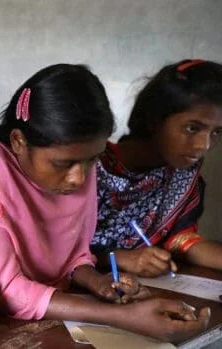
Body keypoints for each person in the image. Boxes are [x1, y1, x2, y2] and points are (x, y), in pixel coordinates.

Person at [0, 63, 210, 342]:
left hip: (54, 311)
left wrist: (98, 282)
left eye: (91, 160)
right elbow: (7, 289)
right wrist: (125, 317)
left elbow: (74, 256)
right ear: (18, 141)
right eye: (62, 164)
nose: (79, 178)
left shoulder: (79, 167)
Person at [92, 59, 222, 277]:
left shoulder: (183, 175)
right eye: (192, 128)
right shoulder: (86, 167)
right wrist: (119, 257)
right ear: (155, 120)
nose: (204, 145)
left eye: (217, 132)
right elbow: (53, 247)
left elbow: (180, 239)